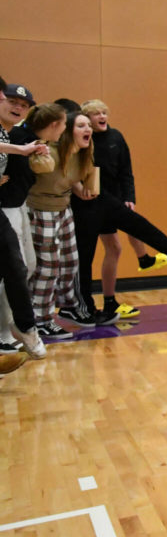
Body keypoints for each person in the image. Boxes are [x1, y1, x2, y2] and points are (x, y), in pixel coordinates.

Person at [77, 99, 167, 321]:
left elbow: (127, 170)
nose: (101, 116)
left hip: (116, 198)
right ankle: (109, 299)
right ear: (86, 120)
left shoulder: (116, 137)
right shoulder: (83, 143)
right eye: (95, 114)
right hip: (96, 201)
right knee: (114, 247)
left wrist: (129, 196)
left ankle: (140, 263)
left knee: (123, 234)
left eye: (104, 112)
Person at [26, 108, 94, 339]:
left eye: (89, 126)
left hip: (64, 210)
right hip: (41, 210)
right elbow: (40, 167)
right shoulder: (50, 151)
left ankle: (66, 306)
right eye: (81, 126)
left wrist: (83, 189)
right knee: (48, 267)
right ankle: (40, 319)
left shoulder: (81, 154)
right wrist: (38, 151)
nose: (88, 130)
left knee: (70, 261)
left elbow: (72, 179)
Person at [0, 81, 49, 360]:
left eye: (23, 105)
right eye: (11, 101)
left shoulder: (11, 135)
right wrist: (23, 150)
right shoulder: (13, 140)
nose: (17, 107)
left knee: (16, 266)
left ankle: (25, 328)